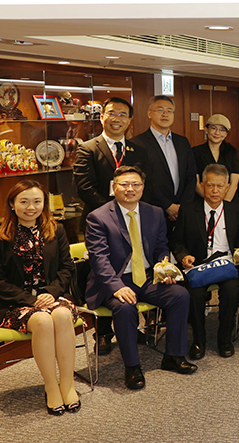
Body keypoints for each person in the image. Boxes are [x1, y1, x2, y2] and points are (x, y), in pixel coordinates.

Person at [84, 166, 196, 390]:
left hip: (147, 277)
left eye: (135, 185)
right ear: (114, 187)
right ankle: (132, 367)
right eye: (124, 184)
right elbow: (99, 260)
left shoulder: (154, 213)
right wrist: (116, 287)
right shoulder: (98, 217)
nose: (130, 189)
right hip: (115, 280)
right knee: (125, 308)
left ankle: (174, 356)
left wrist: (163, 268)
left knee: (180, 295)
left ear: (142, 188)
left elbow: (161, 246)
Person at [0, 181, 80, 414]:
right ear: (12, 204)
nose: (31, 207)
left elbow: (66, 268)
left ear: (44, 204)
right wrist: (32, 300)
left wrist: (51, 292)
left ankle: (67, 383)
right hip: (15, 303)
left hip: (53, 295)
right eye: (24, 201)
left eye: (37, 201)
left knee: (62, 315)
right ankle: (51, 386)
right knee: (42, 320)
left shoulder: (56, 230)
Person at [73, 96, 151, 355]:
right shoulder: (87, 148)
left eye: (122, 114)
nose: (117, 118)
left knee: (130, 270)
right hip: (99, 221)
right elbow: (84, 188)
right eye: (112, 113)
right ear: (102, 117)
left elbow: (141, 185)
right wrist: (114, 212)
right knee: (104, 272)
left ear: (130, 120)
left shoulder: (137, 150)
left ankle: (131, 328)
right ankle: (103, 333)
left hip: (133, 220)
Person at [171, 164, 239, 360]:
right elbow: (177, 241)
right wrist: (184, 256)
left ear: (227, 187)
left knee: (231, 291)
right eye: (210, 185)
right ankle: (199, 341)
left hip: (226, 266)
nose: (215, 191)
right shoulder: (188, 210)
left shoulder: (236, 211)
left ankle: (225, 340)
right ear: (202, 185)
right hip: (197, 266)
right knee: (194, 294)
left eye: (220, 186)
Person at [129, 95, 198, 236]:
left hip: (182, 212)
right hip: (153, 211)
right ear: (149, 113)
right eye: (160, 110)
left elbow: (191, 176)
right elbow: (140, 181)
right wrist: (168, 206)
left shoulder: (182, 142)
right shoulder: (137, 144)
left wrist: (182, 207)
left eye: (169, 111)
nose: (165, 114)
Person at [192, 114, 239, 202]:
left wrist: (223, 204)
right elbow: (195, 182)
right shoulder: (195, 152)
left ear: (226, 134)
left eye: (222, 130)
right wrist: (211, 202)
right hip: (202, 201)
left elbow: (234, 184)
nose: (217, 133)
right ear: (206, 129)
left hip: (229, 202)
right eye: (213, 128)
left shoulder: (232, 152)